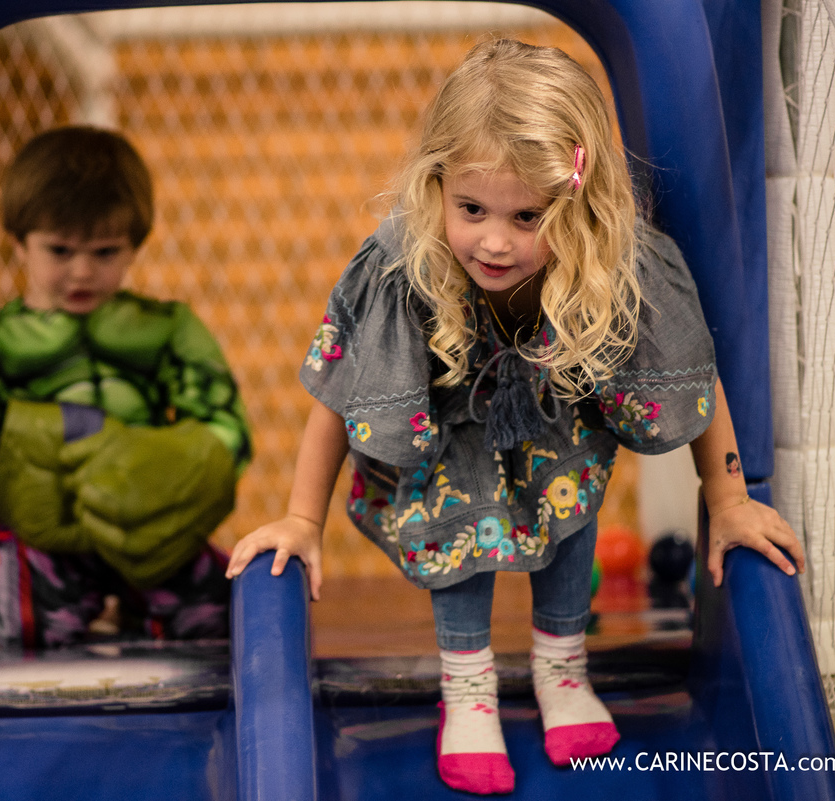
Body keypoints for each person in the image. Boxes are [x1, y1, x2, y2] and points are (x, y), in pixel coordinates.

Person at [225, 39, 804, 795]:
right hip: (449, 455)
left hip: (559, 444)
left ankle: (562, 669)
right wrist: (302, 519)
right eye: (471, 208)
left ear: (578, 200)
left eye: (527, 215)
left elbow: (691, 370)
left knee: (568, 517)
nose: (494, 240)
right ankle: (467, 690)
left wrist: (728, 499)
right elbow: (341, 392)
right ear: (437, 186)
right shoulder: (404, 265)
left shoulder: (613, 262)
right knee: (462, 533)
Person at [0, 125, 251, 648]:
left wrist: (167, 486)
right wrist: (2, 486)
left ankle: (124, 601)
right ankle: (4, 594)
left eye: (105, 252)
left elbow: (226, 429)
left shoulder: (169, 330)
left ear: (134, 247)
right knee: (33, 630)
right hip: (45, 536)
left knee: (223, 614)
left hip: (147, 526)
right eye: (59, 250)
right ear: (19, 241)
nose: (82, 271)